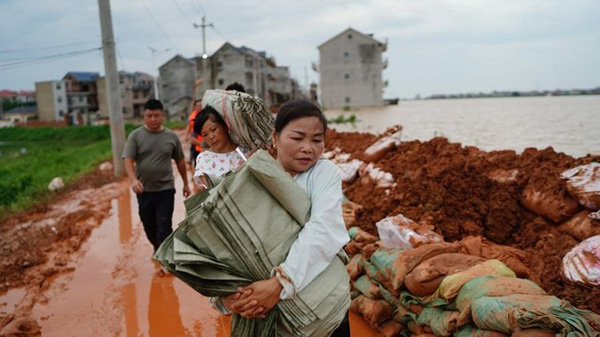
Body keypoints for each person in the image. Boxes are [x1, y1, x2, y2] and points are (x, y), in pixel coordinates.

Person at [216, 99, 351, 336]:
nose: (308, 147)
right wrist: (228, 298)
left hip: (324, 312)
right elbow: (224, 244)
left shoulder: (323, 173)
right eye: (297, 138)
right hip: (267, 317)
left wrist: (279, 284)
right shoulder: (249, 180)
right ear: (275, 138)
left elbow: (321, 229)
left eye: (317, 140)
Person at [123, 99, 191, 255]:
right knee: (149, 225)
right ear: (144, 116)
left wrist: (186, 184)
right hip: (144, 191)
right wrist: (133, 180)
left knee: (164, 225)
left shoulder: (171, 137)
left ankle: (166, 259)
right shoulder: (136, 136)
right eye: (149, 116)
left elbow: (180, 161)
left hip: (166, 189)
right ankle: (157, 247)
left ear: (163, 116)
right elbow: (128, 159)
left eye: (156, 115)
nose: (153, 119)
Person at [192, 105, 250, 191]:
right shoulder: (204, 159)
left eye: (213, 129)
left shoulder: (246, 151)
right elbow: (214, 189)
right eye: (205, 135)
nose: (211, 136)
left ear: (224, 126)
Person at [187, 78, 204, 169]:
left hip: (202, 142)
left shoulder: (206, 116)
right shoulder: (192, 115)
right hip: (195, 139)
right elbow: (188, 126)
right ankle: (190, 161)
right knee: (193, 152)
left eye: (201, 105)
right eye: (198, 105)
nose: (199, 107)